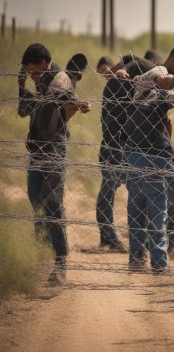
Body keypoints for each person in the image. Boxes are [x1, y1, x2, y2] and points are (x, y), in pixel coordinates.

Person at [18, 43, 91, 285]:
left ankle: (60, 261)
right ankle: (40, 255)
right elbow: (24, 110)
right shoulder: (39, 81)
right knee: (36, 200)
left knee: (52, 204)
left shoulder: (61, 79)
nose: (33, 76)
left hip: (54, 151)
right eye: (29, 72)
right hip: (36, 150)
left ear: (45, 63)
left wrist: (76, 106)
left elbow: (63, 103)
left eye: (35, 71)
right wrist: (22, 86)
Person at [134, 45, 174, 255]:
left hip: (151, 143)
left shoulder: (164, 78)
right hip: (149, 145)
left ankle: (155, 246)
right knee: (166, 193)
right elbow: (164, 85)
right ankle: (165, 247)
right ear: (173, 62)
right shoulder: (159, 73)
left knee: (157, 196)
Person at [123, 70, 174, 273]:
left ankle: (136, 259)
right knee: (157, 216)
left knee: (135, 212)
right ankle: (159, 264)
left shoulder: (136, 95)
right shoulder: (161, 95)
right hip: (155, 160)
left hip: (133, 158)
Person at [95, 58, 155, 253]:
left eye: (110, 70)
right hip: (113, 149)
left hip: (129, 149)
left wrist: (124, 69)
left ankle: (138, 240)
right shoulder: (115, 88)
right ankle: (109, 237)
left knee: (136, 195)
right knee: (109, 192)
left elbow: (131, 59)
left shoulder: (138, 87)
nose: (108, 74)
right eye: (104, 71)